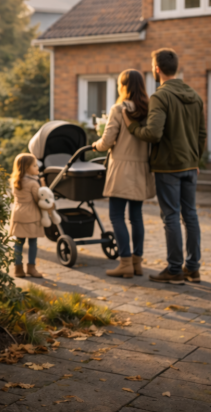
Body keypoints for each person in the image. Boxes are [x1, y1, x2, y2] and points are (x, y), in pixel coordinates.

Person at [122, 49, 207, 285]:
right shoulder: (196, 96)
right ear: (176, 68)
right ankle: (193, 268)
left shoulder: (160, 96)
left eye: (152, 65)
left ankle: (174, 270)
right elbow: (201, 134)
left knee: (171, 216)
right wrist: (196, 160)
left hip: (168, 167)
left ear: (157, 68)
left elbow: (153, 134)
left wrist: (130, 126)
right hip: (190, 166)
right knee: (190, 215)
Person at [92, 70, 155, 278]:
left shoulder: (118, 109)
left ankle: (125, 263)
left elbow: (107, 140)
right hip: (141, 169)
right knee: (136, 217)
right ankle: (137, 263)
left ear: (123, 86)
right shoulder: (149, 109)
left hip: (121, 169)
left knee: (116, 215)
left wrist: (96, 145)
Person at [9, 153, 45, 279]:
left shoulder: (15, 181)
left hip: (18, 214)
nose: (37, 167)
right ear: (26, 167)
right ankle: (32, 268)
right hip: (31, 216)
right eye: (34, 165)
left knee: (18, 243)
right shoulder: (33, 183)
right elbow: (39, 199)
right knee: (33, 242)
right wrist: (44, 185)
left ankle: (18, 269)